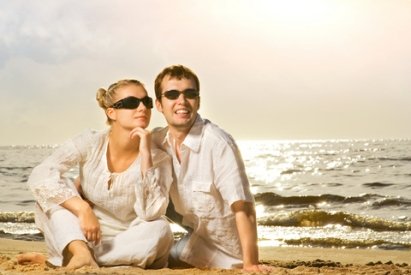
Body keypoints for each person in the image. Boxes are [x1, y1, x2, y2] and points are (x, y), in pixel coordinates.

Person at [22, 79, 174, 269]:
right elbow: (40, 175)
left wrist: (145, 155)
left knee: (161, 228)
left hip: (131, 241)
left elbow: (150, 212)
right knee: (54, 191)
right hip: (84, 234)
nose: (142, 107)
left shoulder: (158, 158)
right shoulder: (91, 142)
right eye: (131, 103)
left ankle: (72, 258)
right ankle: (79, 251)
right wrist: (82, 209)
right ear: (111, 112)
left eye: (147, 102)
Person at [152, 65, 271, 272]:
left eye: (190, 94)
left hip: (226, 253)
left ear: (198, 101)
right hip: (195, 238)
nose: (182, 101)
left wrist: (251, 264)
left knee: (160, 255)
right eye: (172, 94)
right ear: (159, 105)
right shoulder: (157, 140)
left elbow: (244, 207)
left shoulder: (218, 143)